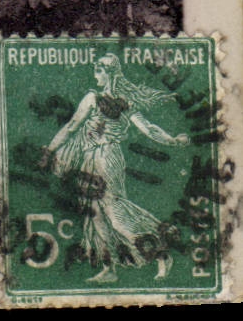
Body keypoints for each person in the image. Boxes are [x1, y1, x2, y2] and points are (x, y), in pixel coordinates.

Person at [41, 54, 189, 283]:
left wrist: (172, 141)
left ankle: (161, 254)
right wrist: (49, 151)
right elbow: (71, 127)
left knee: (115, 214)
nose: (95, 75)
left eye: (99, 71)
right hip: (88, 161)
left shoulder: (124, 103)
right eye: (95, 70)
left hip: (108, 158)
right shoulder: (91, 97)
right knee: (96, 217)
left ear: (111, 73)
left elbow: (147, 128)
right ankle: (110, 269)